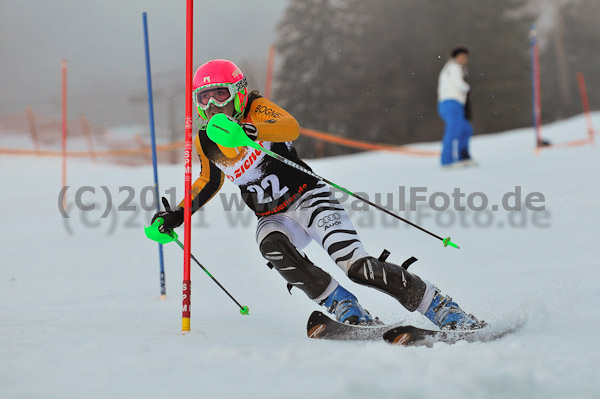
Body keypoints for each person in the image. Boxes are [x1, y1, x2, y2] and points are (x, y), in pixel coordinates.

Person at [152, 59, 485, 329]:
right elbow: (207, 182)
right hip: (273, 216)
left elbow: (290, 127)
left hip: (309, 198)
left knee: (356, 266)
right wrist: (176, 215)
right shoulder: (206, 141)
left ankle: (439, 306)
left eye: (220, 95)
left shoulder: (256, 109)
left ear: (238, 93)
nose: (212, 106)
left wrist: (253, 131)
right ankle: (343, 305)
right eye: (203, 98)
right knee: (271, 246)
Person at [437, 47, 475, 167]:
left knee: (465, 129)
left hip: (456, 103)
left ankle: (463, 156)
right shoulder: (453, 67)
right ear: (455, 57)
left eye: (465, 57)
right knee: (453, 130)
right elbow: (459, 84)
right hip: (450, 102)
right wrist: (468, 88)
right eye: (461, 56)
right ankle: (447, 160)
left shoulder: (460, 69)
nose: (463, 59)